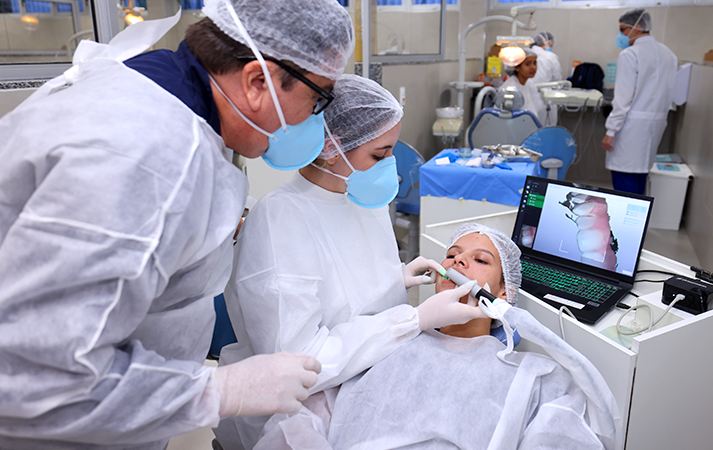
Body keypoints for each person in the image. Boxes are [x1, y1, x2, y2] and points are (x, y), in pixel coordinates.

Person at [0, 0, 354, 448]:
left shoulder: (151, 86)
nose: (316, 119)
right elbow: (38, 375)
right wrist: (218, 390)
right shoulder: (150, 162)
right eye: (318, 98)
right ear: (257, 81)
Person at [214, 74, 487, 450]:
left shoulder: (359, 195)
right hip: (299, 414)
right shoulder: (281, 220)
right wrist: (416, 319)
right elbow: (301, 362)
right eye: (380, 154)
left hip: (371, 382)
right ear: (330, 146)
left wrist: (393, 279)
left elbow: (343, 292)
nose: (390, 164)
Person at [257, 223, 622, 450]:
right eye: (452, 255)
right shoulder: (388, 338)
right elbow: (298, 422)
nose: (458, 263)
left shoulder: (537, 377)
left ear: (505, 292)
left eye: (480, 260)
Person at [601, 8, 677, 195]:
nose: (621, 35)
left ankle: (625, 224)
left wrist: (611, 130)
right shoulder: (669, 55)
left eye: (623, 29)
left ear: (637, 27)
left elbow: (623, 99)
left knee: (624, 180)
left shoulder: (630, 55)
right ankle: (637, 222)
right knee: (640, 178)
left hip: (630, 127)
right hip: (656, 125)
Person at [499, 46, 548, 126]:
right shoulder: (510, 89)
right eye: (528, 64)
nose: (533, 67)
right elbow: (505, 120)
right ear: (517, 67)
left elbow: (534, 110)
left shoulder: (530, 85)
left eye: (534, 63)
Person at [531, 31, 563, 126]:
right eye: (551, 44)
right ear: (547, 42)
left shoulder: (525, 54)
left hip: (528, 96)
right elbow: (557, 79)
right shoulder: (551, 57)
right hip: (546, 97)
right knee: (546, 128)